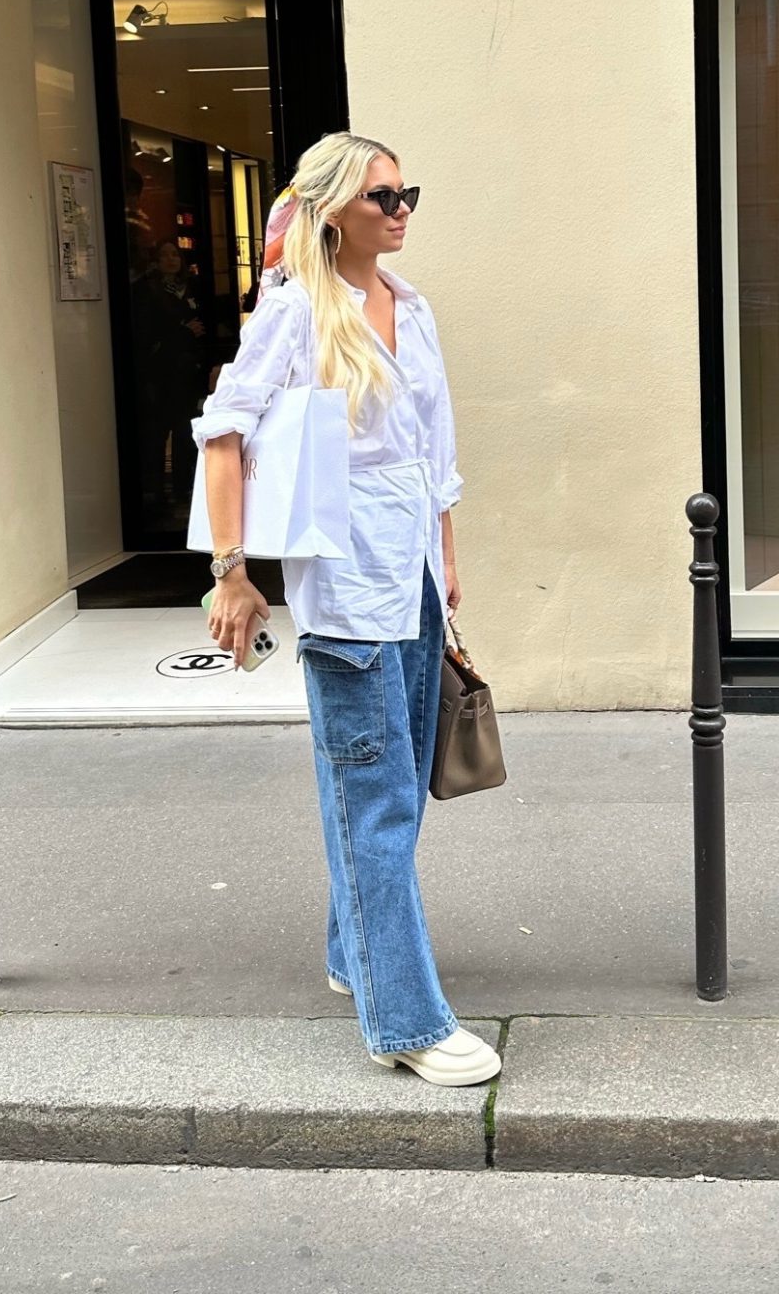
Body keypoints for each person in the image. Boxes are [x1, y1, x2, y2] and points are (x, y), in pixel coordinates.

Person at [192, 132, 499, 1090]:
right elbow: (224, 431)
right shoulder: (294, 311)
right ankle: (405, 1019)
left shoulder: (413, 306)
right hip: (344, 592)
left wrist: (447, 559)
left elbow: (435, 452)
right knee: (378, 799)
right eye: (382, 197)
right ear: (332, 211)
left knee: (391, 788)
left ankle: (352, 949)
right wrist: (233, 572)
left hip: (412, 580)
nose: (401, 210)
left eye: (408, 193)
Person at [133, 239, 207, 510]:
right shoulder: (145, 290)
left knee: (185, 429)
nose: (171, 259)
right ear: (155, 260)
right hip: (160, 374)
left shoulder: (192, 287)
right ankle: (154, 489)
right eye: (164, 255)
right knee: (158, 430)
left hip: (188, 372)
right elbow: (147, 334)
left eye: (175, 254)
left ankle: (183, 485)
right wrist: (183, 332)